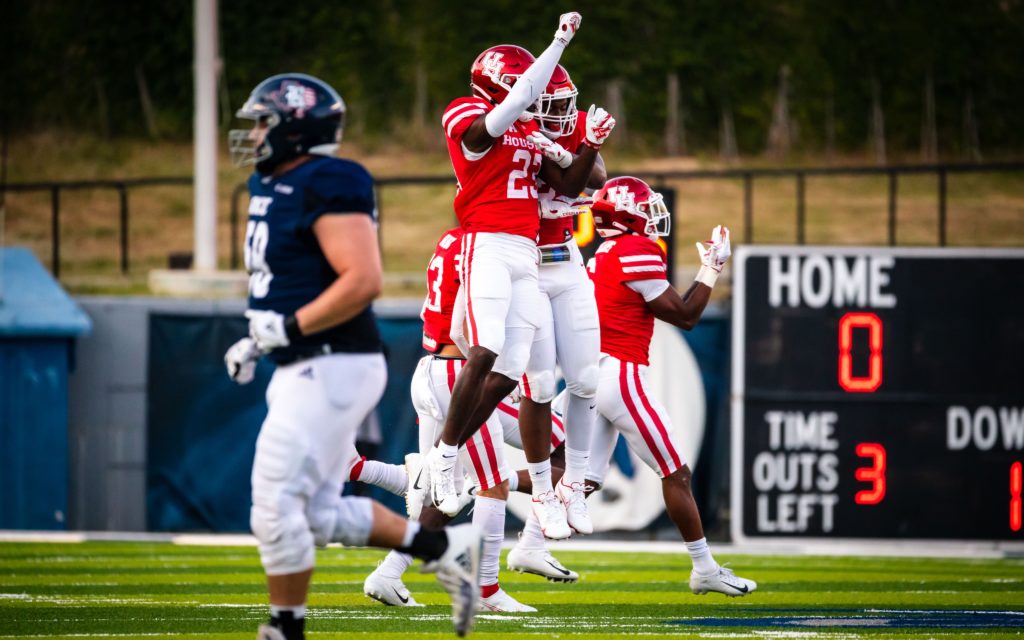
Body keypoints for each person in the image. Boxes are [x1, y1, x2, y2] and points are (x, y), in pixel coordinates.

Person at [222, 73, 483, 639]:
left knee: (274, 505)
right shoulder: (273, 182)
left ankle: (284, 629)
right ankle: (444, 545)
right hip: (303, 361)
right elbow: (285, 282)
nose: (255, 132)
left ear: (297, 128)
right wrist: (262, 337)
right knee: (317, 513)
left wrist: (284, 328)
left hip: (333, 361)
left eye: (266, 120)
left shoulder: (330, 179)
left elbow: (362, 279)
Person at [430, 12, 615, 543]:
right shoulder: (468, 112)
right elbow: (509, 107)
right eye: (521, 87)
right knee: (487, 349)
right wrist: (559, 42)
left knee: (514, 369)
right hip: (485, 241)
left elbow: (577, 176)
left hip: (529, 256)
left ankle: (466, 460)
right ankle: (445, 457)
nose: (532, 97)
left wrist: (587, 143)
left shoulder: (533, 127)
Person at [584, 176, 758, 597]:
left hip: (594, 374)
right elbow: (685, 315)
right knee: (676, 473)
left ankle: (486, 495)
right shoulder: (636, 251)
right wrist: (711, 268)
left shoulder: (602, 253)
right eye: (644, 208)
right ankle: (704, 568)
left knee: (579, 479)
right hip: (623, 377)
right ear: (625, 215)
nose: (651, 216)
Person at [514, 64, 610, 539]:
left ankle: (572, 481)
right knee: (538, 384)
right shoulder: (514, 129)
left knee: (587, 379)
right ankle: (542, 492)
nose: (564, 113)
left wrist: (583, 140)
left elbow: (596, 177)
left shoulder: (564, 123)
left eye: (566, 101)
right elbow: (567, 181)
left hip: (565, 258)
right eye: (551, 104)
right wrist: (583, 143)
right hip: (523, 262)